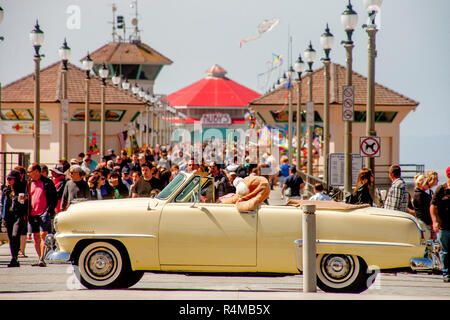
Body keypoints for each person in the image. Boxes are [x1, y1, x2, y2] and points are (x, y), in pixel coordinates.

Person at [27, 163, 57, 267]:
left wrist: (49, 210)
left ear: (36, 171)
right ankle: (39, 257)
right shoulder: (29, 183)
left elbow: (54, 197)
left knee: (43, 234)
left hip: (44, 212)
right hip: (32, 213)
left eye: (29, 171)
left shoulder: (48, 182)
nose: (28, 174)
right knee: (36, 236)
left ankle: (42, 258)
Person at [1, 171, 27, 267]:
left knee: (15, 235)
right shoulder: (5, 190)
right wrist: (2, 216)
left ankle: (15, 256)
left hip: (17, 216)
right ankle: (14, 258)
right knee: (11, 238)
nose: (8, 181)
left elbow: (22, 203)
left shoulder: (21, 190)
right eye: (7, 179)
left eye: (10, 179)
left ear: (15, 180)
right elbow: (2, 203)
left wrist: (16, 197)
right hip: (8, 217)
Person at [430, 166, 450, 283]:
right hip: (444, 226)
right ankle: (446, 273)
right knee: (445, 251)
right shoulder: (441, 189)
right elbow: (433, 206)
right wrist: (435, 221)